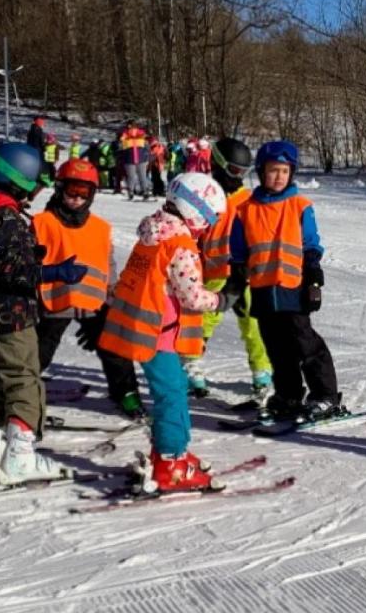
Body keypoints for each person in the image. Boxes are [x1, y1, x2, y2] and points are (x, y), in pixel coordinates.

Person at [84, 173, 235, 492]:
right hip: (159, 333)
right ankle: (171, 462)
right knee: (173, 395)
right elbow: (192, 296)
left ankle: (168, 451)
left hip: (143, 329)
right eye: (208, 219)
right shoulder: (180, 246)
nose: (207, 227)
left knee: (173, 388)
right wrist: (220, 299)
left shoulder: (152, 237)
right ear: (194, 211)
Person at [0, 142, 87, 484]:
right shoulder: (4, 216)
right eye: (34, 184)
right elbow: (11, 271)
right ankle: (20, 460)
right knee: (24, 382)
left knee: (1, 382)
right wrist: (53, 272)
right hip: (10, 313)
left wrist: (35, 256)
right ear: (19, 180)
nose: (36, 192)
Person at [227, 140, 346, 422]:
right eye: (272, 170)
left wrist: (314, 281)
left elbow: (310, 246)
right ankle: (288, 395)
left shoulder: (299, 206)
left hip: (293, 288)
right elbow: (239, 254)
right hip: (262, 290)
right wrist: (236, 282)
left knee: (305, 344)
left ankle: (325, 396)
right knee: (277, 348)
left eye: (284, 170)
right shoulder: (245, 210)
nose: (278, 176)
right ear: (260, 172)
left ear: (291, 173)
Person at [32, 159, 145, 417]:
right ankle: (15, 395)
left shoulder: (100, 227)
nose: (77, 199)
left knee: (115, 349)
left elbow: (107, 261)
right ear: (60, 188)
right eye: (72, 190)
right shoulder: (42, 223)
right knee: (39, 352)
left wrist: (113, 292)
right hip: (54, 303)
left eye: (85, 193)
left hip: (95, 303)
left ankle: (126, 394)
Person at [183, 137, 272, 404]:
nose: (239, 178)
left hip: (245, 274)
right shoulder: (204, 195)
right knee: (203, 322)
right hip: (214, 274)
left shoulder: (249, 200)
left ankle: (262, 371)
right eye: (234, 171)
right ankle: (191, 366)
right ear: (218, 165)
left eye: (243, 173)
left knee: (253, 324)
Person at [118, 121, 150, 199]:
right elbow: (148, 147)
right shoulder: (141, 134)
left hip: (131, 159)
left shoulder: (125, 135)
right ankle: (142, 192)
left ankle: (134, 192)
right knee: (141, 177)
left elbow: (120, 147)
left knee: (133, 177)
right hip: (136, 159)